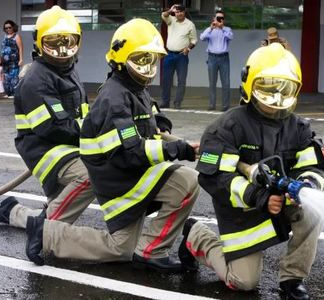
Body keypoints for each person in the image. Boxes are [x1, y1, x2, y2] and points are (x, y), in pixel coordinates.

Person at [25, 19, 200, 273]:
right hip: (121, 181)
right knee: (187, 181)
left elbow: (145, 124)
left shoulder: (134, 87)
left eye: (152, 59)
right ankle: (152, 251)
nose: (148, 66)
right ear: (121, 57)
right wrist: (178, 150)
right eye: (141, 59)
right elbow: (131, 151)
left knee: (120, 249)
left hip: (127, 177)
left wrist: (162, 127)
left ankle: (46, 234)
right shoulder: (114, 97)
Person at [178, 44, 324, 299]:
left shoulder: (299, 127)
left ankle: (292, 279)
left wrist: (307, 184)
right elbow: (215, 177)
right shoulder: (227, 126)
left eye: (285, 88)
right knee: (243, 282)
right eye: (268, 87)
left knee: (314, 211)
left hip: (282, 200)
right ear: (249, 85)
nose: (276, 96)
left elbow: (315, 166)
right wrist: (258, 196)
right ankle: (196, 235)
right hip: (242, 210)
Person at [0, 6, 95, 229]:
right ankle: (44, 229)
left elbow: (82, 113)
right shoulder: (35, 80)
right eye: (54, 42)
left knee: (58, 205)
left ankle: (13, 212)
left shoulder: (68, 70)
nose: (62, 49)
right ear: (39, 41)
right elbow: (54, 128)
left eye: (68, 41)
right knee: (92, 174)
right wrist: (94, 135)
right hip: (45, 149)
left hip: (65, 145)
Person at [160, 4, 197, 109]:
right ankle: (165, 102)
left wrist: (188, 48)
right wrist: (170, 10)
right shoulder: (171, 20)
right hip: (169, 54)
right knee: (166, 79)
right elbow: (163, 15)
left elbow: (194, 40)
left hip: (182, 56)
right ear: (174, 13)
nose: (179, 14)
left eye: (181, 11)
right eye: (177, 12)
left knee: (181, 80)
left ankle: (177, 103)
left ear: (184, 12)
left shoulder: (190, 24)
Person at [200, 10, 233, 111]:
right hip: (212, 57)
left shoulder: (227, 29)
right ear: (214, 19)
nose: (219, 20)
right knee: (212, 82)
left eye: (221, 18)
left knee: (226, 83)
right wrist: (211, 27)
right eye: (217, 18)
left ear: (224, 20)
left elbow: (230, 37)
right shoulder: (210, 30)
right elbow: (202, 37)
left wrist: (222, 27)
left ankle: (225, 106)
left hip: (224, 58)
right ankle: (212, 104)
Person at [1, 20, 24, 98]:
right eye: (6, 28)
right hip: (5, 61)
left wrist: (21, 59)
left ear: (13, 27)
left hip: (14, 61)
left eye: (9, 27)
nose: (8, 29)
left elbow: (20, 48)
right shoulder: (5, 36)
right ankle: (8, 93)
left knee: (14, 77)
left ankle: (14, 93)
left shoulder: (16, 36)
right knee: (6, 77)